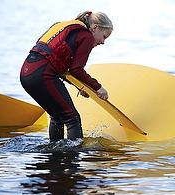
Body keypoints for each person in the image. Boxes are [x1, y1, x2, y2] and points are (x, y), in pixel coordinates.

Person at [20, 11, 113, 141]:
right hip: (42, 75)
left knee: (57, 116)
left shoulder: (65, 27)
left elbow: (59, 66)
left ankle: (54, 155)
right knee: (72, 119)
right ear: (95, 27)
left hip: (26, 75)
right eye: (104, 36)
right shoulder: (87, 36)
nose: (103, 42)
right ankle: (73, 156)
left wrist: (81, 87)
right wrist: (98, 88)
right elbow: (76, 69)